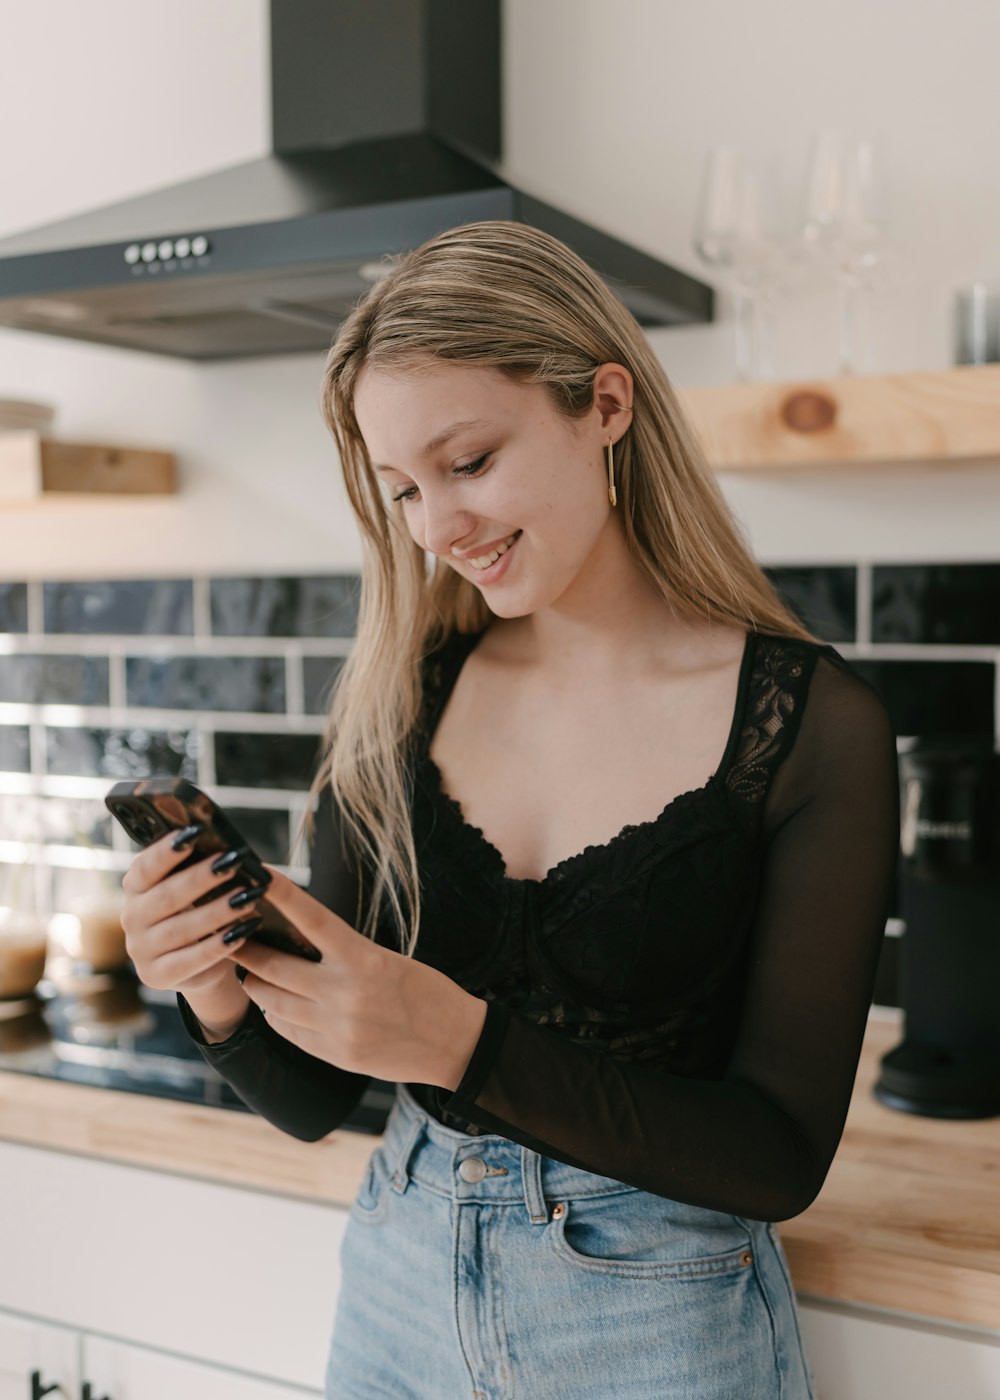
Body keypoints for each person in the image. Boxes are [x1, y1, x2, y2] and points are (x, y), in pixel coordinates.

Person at [120, 220, 900, 1400]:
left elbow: (775, 1152)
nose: (437, 528)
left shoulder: (813, 729)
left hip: (657, 1330)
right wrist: (213, 982)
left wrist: (454, 1040)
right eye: (402, 488)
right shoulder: (398, 697)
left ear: (605, 404)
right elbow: (315, 1097)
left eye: (469, 461)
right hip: (395, 1291)